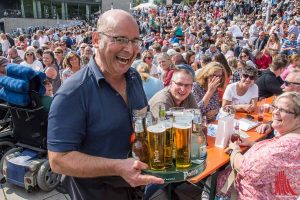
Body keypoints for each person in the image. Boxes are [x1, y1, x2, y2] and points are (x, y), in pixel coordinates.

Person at [47, 10, 164, 200]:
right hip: (96, 193)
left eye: (135, 41)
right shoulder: (72, 92)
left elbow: (142, 119)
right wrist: (117, 167)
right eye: (120, 39)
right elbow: (58, 160)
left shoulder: (134, 77)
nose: (130, 49)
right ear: (96, 40)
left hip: (135, 188)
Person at [217, 92, 300, 199]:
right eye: (275, 107)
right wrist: (252, 143)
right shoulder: (291, 139)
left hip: (247, 193)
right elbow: (274, 159)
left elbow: (247, 169)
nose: (275, 112)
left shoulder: (286, 147)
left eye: (283, 110)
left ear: (298, 118)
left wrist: (234, 151)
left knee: (210, 181)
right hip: (276, 192)